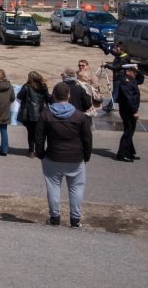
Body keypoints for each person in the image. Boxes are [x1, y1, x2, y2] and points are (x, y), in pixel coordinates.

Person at [35, 82, 93, 228]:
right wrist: (86, 156)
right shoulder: (80, 116)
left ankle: (54, 217)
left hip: (53, 156)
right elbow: (87, 138)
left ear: (53, 95)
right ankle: (75, 219)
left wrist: (41, 154)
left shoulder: (46, 114)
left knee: (53, 187)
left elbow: (39, 137)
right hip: (75, 157)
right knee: (76, 189)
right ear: (68, 96)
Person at [17, 71, 51, 157]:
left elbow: (19, 96)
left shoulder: (27, 86)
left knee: (31, 133)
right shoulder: (44, 86)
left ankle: (31, 151)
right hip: (41, 112)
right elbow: (48, 99)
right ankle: (40, 150)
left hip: (30, 114)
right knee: (41, 133)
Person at [115, 64, 143, 162]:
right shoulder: (125, 81)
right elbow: (129, 98)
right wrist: (135, 111)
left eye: (136, 72)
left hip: (129, 110)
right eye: (133, 72)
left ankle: (129, 153)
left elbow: (142, 79)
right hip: (128, 111)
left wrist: (137, 69)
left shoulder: (131, 79)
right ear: (127, 72)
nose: (135, 74)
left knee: (129, 132)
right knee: (128, 133)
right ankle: (121, 155)